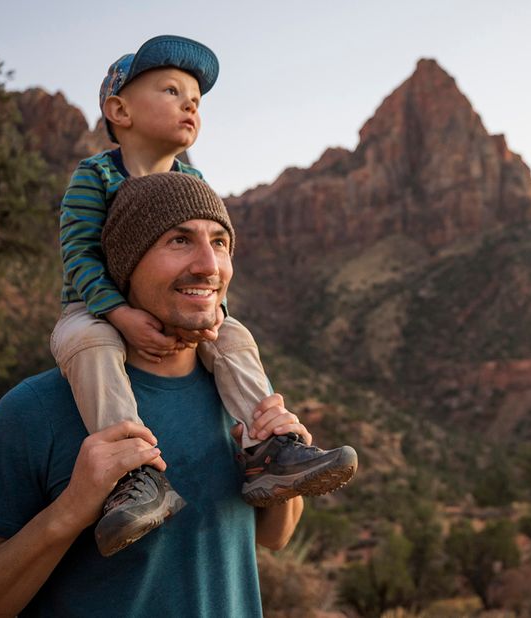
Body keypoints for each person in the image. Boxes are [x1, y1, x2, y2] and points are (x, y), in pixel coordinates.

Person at [0, 172, 320, 616]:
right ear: (126, 264)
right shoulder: (37, 411)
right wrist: (71, 509)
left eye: (221, 242)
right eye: (179, 240)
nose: (209, 264)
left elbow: (273, 536)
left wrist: (278, 473)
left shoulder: (240, 392)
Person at [50, 34, 356, 555]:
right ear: (118, 109)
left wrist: (213, 317)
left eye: (195, 96)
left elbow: (206, 273)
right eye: (171, 90)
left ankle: (268, 447)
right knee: (88, 344)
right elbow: (77, 252)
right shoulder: (96, 174)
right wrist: (119, 312)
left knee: (233, 335)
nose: (190, 103)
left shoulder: (194, 180)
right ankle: (136, 476)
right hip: (96, 308)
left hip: (184, 313)